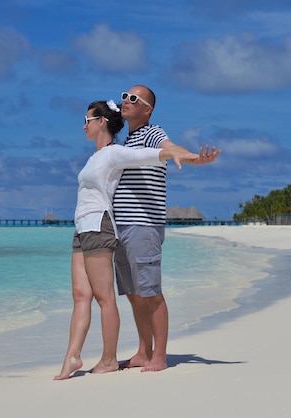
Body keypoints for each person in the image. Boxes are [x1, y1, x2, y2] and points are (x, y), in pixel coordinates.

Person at [54, 100, 199, 380]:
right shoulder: (92, 158)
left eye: (87, 119)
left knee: (104, 297)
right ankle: (72, 357)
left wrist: (187, 156)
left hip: (100, 225)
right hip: (82, 227)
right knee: (80, 295)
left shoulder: (114, 153)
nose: (84, 125)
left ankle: (108, 359)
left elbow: (151, 154)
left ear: (101, 122)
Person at [114, 85, 220, 372]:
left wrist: (194, 158)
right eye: (124, 96)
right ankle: (142, 352)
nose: (126, 100)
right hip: (121, 226)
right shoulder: (128, 141)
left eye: (133, 98)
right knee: (134, 294)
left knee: (150, 293)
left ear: (147, 109)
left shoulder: (151, 133)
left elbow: (170, 147)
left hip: (143, 225)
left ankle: (159, 355)